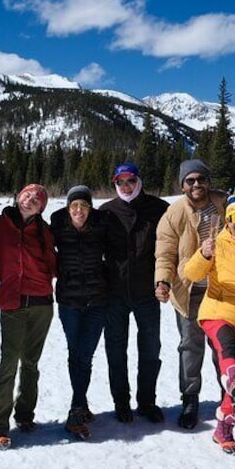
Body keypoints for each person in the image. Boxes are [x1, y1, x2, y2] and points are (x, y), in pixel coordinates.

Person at [183, 187, 235, 454]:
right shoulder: (216, 243)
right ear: (227, 220)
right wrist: (203, 254)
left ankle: (224, 428)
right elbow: (192, 273)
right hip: (218, 312)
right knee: (231, 359)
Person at [0, 183, 57, 450]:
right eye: (27, 194)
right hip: (12, 304)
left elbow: (55, 264)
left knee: (31, 362)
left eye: (38, 198)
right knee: (8, 363)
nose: (31, 199)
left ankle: (25, 415)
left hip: (42, 303)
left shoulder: (44, 231)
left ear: (42, 208)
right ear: (18, 196)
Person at [155, 159, 227, 429]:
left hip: (222, 292)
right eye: (190, 180)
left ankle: (229, 397)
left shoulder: (225, 205)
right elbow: (164, 253)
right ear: (182, 185)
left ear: (209, 181)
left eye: (201, 179)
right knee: (190, 347)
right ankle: (190, 399)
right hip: (189, 292)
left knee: (224, 347)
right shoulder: (173, 214)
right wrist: (162, 280)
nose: (196, 184)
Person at [100, 163, 169, 424]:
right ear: (115, 185)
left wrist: (166, 280)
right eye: (121, 182)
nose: (126, 186)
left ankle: (147, 401)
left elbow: (169, 248)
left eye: (130, 180)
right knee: (116, 350)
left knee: (150, 348)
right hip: (114, 293)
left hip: (147, 293)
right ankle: (121, 402)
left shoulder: (159, 208)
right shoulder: (106, 212)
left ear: (139, 181)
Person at [50, 186, 115, 439]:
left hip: (97, 301)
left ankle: (78, 405)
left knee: (84, 355)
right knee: (75, 352)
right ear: (68, 208)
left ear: (91, 208)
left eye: (84, 206)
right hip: (69, 302)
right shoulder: (58, 226)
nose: (79, 210)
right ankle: (80, 404)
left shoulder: (101, 226)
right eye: (74, 206)